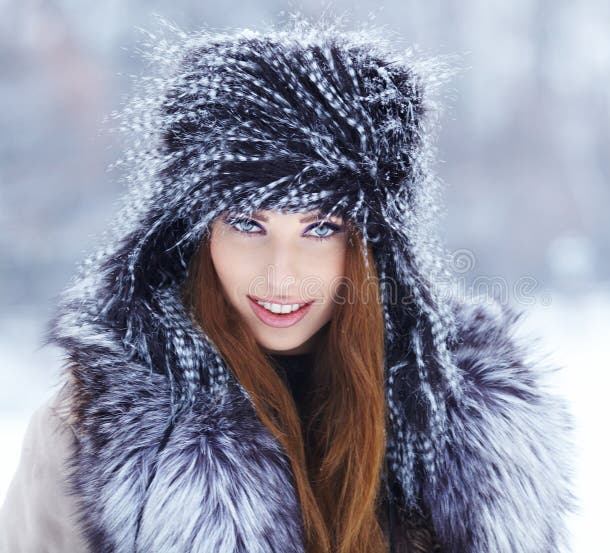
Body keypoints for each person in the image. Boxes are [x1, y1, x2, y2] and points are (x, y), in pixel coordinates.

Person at [0, 15, 576, 553]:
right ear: (195, 235)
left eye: (321, 228)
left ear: (374, 246)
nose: (281, 274)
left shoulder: (477, 430)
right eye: (248, 223)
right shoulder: (96, 434)